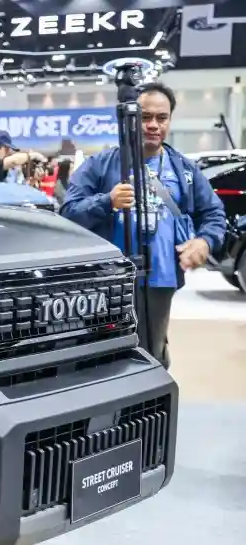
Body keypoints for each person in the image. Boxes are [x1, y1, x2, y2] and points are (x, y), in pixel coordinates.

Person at [61, 82, 225, 368]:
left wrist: (205, 241)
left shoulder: (183, 169)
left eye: (161, 118)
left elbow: (213, 213)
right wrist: (107, 201)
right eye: (145, 117)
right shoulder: (101, 165)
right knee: (105, 357)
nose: (153, 125)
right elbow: (68, 212)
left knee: (152, 355)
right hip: (108, 281)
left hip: (161, 279)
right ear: (129, 120)